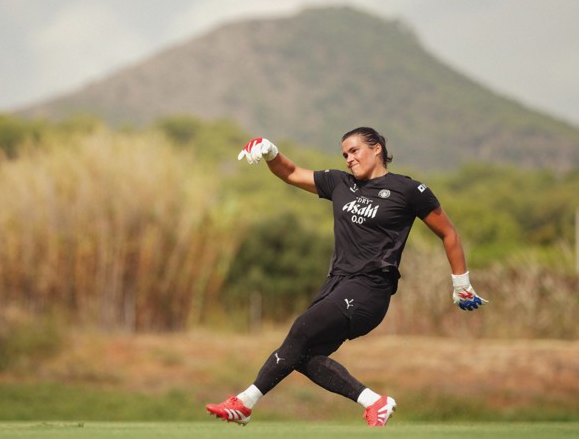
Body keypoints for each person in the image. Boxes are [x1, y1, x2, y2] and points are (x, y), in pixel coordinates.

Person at [205, 127, 487, 427]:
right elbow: (290, 173)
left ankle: (245, 403)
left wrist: (461, 283)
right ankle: (374, 401)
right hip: (336, 285)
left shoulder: (408, 190)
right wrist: (271, 151)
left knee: (300, 330)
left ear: (377, 148)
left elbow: (448, 233)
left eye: (354, 151)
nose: (349, 159)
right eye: (344, 154)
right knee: (302, 356)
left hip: (370, 288)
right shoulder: (339, 183)